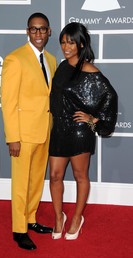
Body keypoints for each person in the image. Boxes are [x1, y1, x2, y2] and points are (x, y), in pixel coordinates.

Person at [49, 22, 118, 240]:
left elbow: (110, 98)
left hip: (80, 132)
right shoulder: (61, 66)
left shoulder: (91, 72)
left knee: (80, 176)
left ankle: (77, 218)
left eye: (71, 42)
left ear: (81, 43)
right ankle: (59, 217)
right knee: (54, 176)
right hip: (59, 129)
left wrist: (92, 120)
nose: (66, 47)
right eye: (62, 42)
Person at [1, 12, 57, 250]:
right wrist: (13, 137)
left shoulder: (52, 60)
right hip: (23, 136)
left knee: (36, 181)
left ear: (49, 32)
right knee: (21, 183)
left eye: (42, 29)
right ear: (27, 31)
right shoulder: (15, 59)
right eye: (33, 29)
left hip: (44, 131)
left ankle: (31, 219)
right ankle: (19, 229)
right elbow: (9, 102)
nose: (38, 34)